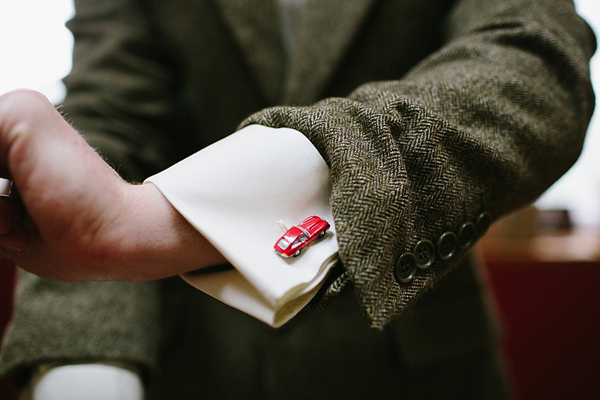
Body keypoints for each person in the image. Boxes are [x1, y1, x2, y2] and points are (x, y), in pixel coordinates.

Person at [0, 0, 595, 398]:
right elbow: (111, 117)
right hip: (191, 367)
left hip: (422, 367)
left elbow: (530, 59)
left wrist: (163, 221)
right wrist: (85, 364)